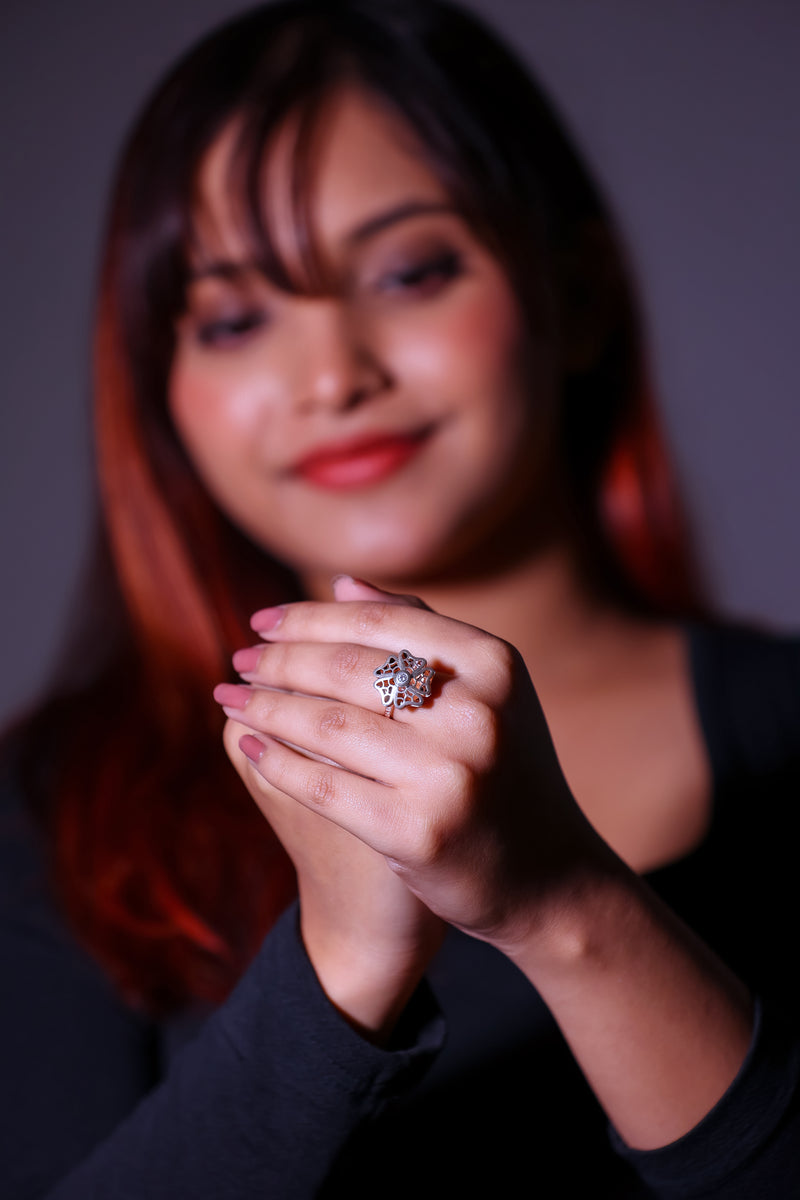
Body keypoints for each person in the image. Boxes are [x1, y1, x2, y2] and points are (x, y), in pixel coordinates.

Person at [2, 1, 798, 1195]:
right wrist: (334, 963)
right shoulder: (59, 810)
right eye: (234, 317)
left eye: (411, 271)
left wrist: (563, 909)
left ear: (572, 297)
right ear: (158, 387)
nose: (332, 375)